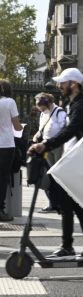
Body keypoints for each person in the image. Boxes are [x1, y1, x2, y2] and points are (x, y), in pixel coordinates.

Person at [29, 68, 83, 260]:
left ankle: (72, 247)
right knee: (72, 205)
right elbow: (68, 133)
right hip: (73, 159)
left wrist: (46, 144)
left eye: (63, 82)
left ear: (73, 83)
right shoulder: (74, 103)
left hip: (78, 160)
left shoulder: (82, 106)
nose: (60, 86)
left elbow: (70, 131)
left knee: (69, 204)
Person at [33, 92, 66, 213]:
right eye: (39, 105)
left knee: (58, 175)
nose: (41, 108)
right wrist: (37, 135)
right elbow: (42, 128)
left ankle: (63, 204)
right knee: (50, 176)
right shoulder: (43, 114)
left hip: (58, 146)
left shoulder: (59, 112)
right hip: (47, 147)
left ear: (50, 103)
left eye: (43, 105)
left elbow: (64, 129)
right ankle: (53, 203)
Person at [0, 80, 23, 222]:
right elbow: (17, 126)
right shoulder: (9, 102)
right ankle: (0, 209)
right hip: (6, 145)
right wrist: (21, 127)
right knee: (2, 178)